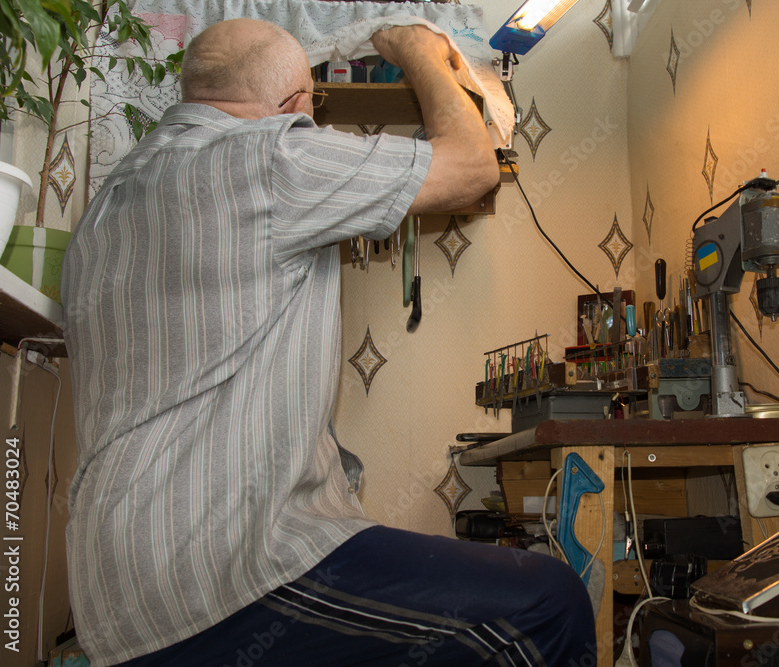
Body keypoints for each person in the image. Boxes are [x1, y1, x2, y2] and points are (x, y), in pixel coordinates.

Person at [61, 17, 596, 667]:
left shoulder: (109, 200)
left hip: (112, 594)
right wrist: (421, 55)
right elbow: (470, 169)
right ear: (292, 106)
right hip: (226, 570)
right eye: (311, 104)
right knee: (546, 603)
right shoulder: (267, 154)